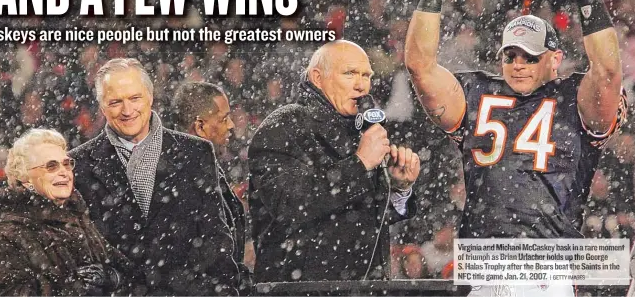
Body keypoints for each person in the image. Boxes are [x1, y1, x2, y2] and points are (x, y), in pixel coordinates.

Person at [405, 0, 627, 296]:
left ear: (555, 60)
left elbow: (607, 70)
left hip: (547, 270)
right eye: (511, 55)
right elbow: (419, 66)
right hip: (483, 270)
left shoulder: (573, 97)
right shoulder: (478, 92)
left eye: (530, 56)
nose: (519, 64)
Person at [249, 40, 420, 283]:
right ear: (318, 78)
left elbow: (366, 219)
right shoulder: (285, 126)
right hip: (301, 288)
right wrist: (359, 163)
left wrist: (399, 189)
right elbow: (289, 205)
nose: (362, 85)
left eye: (366, 75)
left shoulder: (363, 132)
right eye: (349, 73)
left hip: (365, 287)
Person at [69, 58, 244, 295]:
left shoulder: (197, 152)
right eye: (115, 102)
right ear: (101, 107)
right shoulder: (78, 165)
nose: (127, 110)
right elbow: (82, 255)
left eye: (134, 98)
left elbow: (216, 240)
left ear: (150, 97)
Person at [0, 128, 135, 296]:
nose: (63, 172)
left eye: (66, 164)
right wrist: (71, 288)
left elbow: (132, 275)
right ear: (25, 177)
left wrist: (112, 278)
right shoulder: (10, 232)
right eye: (51, 166)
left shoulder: (78, 217)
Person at [171, 82, 252, 275]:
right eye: (224, 119)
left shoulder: (203, 169)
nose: (231, 125)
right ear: (200, 126)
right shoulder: (182, 179)